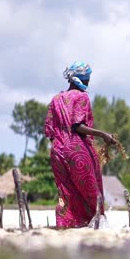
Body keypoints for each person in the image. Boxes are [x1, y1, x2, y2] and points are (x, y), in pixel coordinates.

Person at [44, 61, 120, 228]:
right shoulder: (82, 97)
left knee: (65, 191)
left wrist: (61, 143)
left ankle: (66, 224)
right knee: (91, 191)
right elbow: (77, 126)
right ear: (81, 79)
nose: (88, 82)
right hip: (77, 149)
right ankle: (95, 223)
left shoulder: (56, 99)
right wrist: (103, 135)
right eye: (87, 78)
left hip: (57, 150)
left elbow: (49, 130)